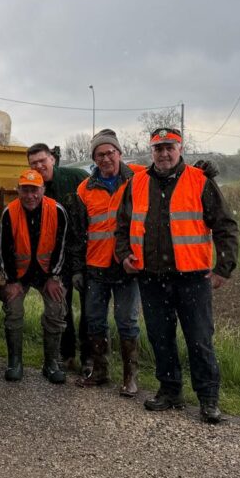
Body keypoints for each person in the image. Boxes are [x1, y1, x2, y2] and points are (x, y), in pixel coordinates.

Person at [114, 127, 239, 424]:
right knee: (160, 337)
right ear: (151, 151)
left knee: (199, 339)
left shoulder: (200, 181)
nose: (164, 153)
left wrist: (224, 268)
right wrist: (124, 255)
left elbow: (225, 226)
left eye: (170, 147)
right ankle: (170, 391)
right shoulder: (137, 183)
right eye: (158, 148)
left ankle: (208, 399)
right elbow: (121, 226)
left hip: (192, 278)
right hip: (151, 277)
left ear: (180, 149)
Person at [75, 129, 143, 394]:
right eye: (99, 154)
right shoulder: (85, 189)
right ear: (94, 158)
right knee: (95, 321)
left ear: (119, 153)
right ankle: (101, 371)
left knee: (127, 321)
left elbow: (169, 172)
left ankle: (130, 377)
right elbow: (79, 234)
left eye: (110, 153)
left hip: (126, 265)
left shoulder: (139, 178)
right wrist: (79, 270)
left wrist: (202, 172)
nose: (105, 158)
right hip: (96, 266)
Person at [0, 169, 70, 384]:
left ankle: (51, 363)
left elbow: (62, 246)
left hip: (48, 274)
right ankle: (15, 363)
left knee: (56, 310)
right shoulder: (9, 212)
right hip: (19, 275)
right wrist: (11, 281)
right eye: (25, 190)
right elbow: (3, 249)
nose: (30, 195)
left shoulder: (57, 211)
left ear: (43, 189)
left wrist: (54, 277)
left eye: (35, 190)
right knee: (13, 310)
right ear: (18, 190)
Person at [26, 144, 88, 371]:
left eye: (43, 160)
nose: (39, 166)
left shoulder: (77, 177)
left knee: (89, 309)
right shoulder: (35, 189)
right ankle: (67, 354)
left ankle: (89, 358)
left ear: (53, 159)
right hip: (58, 259)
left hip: (85, 254)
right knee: (62, 307)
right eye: (34, 163)